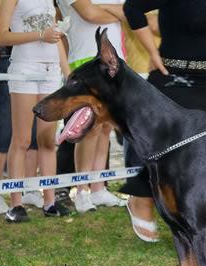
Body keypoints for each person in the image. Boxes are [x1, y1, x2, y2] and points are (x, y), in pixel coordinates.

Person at [122, 0, 206, 242]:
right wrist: (152, 53)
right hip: (173, 76)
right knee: (159, 143)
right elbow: (132, 7)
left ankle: (200, 217)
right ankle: (140, 199)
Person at [0, 0, 71, 222]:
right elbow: (0, 36)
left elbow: (54, 36)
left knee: (48, 140)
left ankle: (50, 202)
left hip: (51, 72)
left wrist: (67, 73)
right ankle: (16, 205)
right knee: (22, 139)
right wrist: (39, 35)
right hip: (24, 71)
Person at [56, 0, 127, 213]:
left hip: (115, 59)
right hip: (87, 59)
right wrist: (119, 13)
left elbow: (126, 11)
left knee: (105, 126)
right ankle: (82, 189)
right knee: (89, 128)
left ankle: (98, 188)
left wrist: (106, 10)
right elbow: (90, 14)